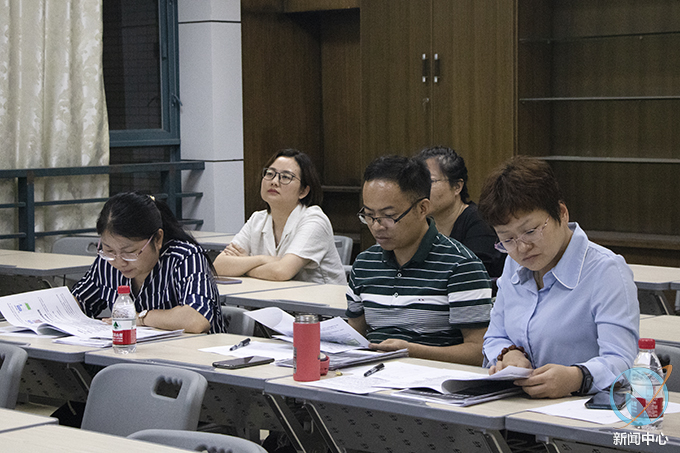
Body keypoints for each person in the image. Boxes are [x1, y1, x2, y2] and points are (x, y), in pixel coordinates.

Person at [478, 156, 639, 398]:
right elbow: (495, 335)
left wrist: (576, 378)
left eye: (530, 231)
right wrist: (508, 354)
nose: (522, 248)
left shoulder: (606, 271)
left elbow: (622, 361)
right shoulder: (513, 264)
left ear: (561, 213)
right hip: (517, 405)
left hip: (580, 410)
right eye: (507, 239)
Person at [346, 155, 493, 366]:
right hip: (372, 374)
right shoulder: (364, 264)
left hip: (435, 378)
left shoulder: (461, 266)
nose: (377, 226)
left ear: (423, 208)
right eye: (369, 215)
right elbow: (355, 334)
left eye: (389, 216)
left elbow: (479, 352)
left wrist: (412, 351)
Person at [72, 192, 225, 334]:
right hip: (133, 351)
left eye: (130, 252)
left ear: (157, 239)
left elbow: (196, 319)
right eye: (109, 250)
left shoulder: (184, 257)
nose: (119, 261)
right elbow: (77, 304)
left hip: (190, 352)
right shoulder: (107, 261)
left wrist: (140, 318)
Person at [214, 149, 346, 285]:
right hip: (273, 295)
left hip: (320, 298)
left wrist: (243, 267)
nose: (274, 182)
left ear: (303, 191)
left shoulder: (315, 220)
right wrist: (263, 260)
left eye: (285, 177)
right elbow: (218, 266)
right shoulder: (257, 219)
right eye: (270, 174)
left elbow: (281, 272)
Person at [416, 146, 505, 278]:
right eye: (418, 182)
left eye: (430, 181)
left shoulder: (479, 221)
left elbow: (474, 274)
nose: (421, 189)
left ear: (457, 187)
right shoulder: (423, 225)